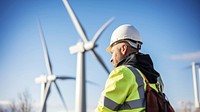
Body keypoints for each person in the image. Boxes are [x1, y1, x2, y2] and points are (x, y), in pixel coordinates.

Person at [96, 24, 164, 112]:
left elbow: (103, 110)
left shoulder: (123, 73)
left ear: (123, 48)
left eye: (113, 52)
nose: (111, 59)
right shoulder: (155, 77)